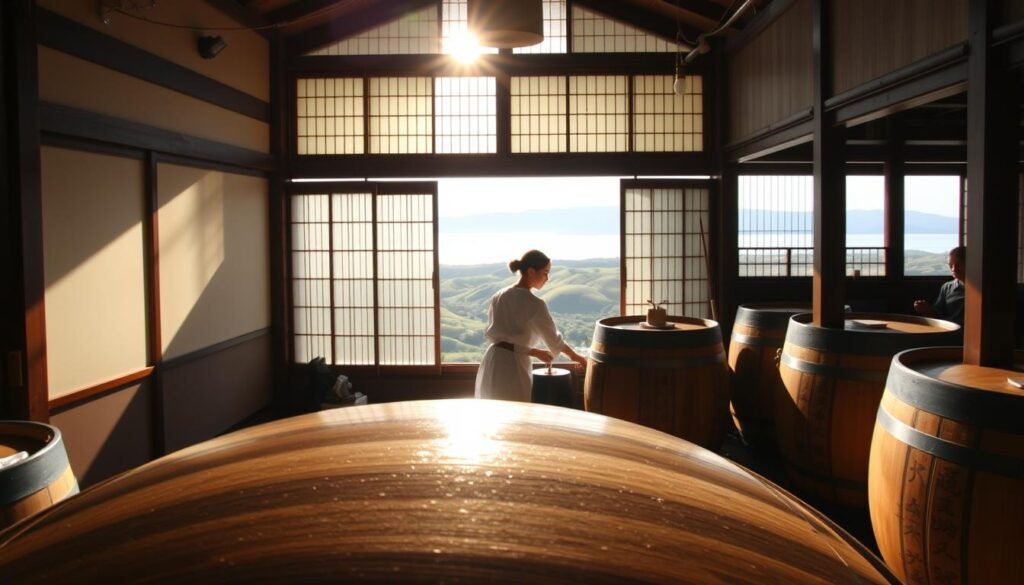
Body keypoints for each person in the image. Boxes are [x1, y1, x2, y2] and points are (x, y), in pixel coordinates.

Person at [474, 249, 588, 402]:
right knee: (515, 408)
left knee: (493, 408)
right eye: (545, 273)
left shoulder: (499, 295)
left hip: (492, 360)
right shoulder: (534, 304)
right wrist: (579, 358)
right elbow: (555, 340)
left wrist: (534, 351)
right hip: (512, 366)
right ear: (531, 271)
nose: (547, 278)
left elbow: (501, 340)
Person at [913, 245, 966, 326]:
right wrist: (926, 310)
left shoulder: (981, 288)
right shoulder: (947, 287)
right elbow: (937, 314)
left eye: (959, 265)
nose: (954, 269)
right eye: (951, 265)